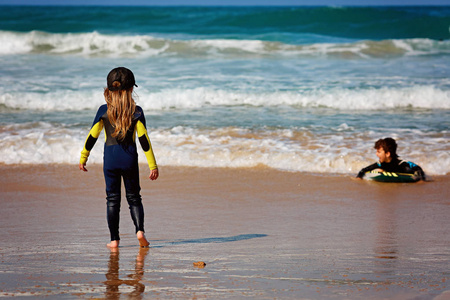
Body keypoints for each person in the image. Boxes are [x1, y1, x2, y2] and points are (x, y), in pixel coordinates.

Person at [79, 67, 159, 248]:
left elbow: (92, 136)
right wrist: (153, 165)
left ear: (108, 90)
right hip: (129, 159)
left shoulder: (103, 110)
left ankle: (114, 240)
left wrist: (84, 157)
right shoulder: (136, 111)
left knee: (112, 199)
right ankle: (140, 231)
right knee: (134, 198)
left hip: (110, 161)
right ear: (132, 89)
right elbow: (144, 140)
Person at [356, 137, 426, 180]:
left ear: (387, 154)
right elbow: (364, 170)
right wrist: (359, 177)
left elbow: (418, 169)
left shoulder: (401, 164)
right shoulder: (380, 164)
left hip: (403, 172)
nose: (376, 154)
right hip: (387, 171)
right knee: (380, 169)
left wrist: (422, 180)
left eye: (379, 152)